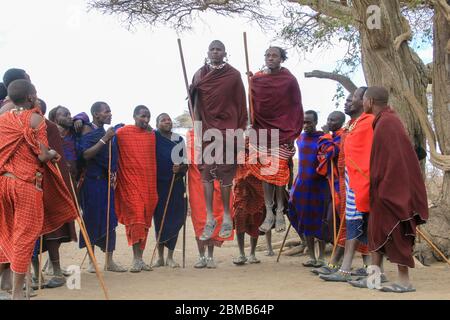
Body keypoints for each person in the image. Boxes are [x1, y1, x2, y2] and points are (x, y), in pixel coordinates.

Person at [0, 80, 77, 299]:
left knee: (6, 233)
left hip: (3, 183)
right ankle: (17, 293)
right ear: (31, 97)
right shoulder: (36, 119)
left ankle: (5, 286)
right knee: (24, 238)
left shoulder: (2, 119)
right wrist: (52, 154)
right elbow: (43, 155)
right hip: (25, 185)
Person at [363, 86, 428, 292]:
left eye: (363, 99)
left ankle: (404, 281)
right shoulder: (383, 121)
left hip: (393, 192)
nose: (363, 103)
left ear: (370, 101)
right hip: (382, 189)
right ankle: (373, 279)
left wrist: (387, 190)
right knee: (375, 233)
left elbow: (397, 162)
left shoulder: (388, 123)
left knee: (396, 233)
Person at [190, 40, 247, 241]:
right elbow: (194, 103)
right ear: (208, 52)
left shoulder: (233, 75)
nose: (215, 52)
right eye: (212, 49)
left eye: (219, 49)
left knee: (225, 174)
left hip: (228, 128)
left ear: (225, 52)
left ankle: (226, 217)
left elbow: (241, 103)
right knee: (206, 173)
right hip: (206, 129)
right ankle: (209, 217)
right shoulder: (200, 74)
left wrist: (240, 132)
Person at [312, 91, 370, 277]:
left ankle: (347, 266)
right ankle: (340, 264)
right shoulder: (350, 127)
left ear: (364, 101)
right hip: (345, 181)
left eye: (351, 99)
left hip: (360, 181)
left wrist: (327, 137)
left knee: (358, 223)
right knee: (350, 222)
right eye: (346, 99)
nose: (347, 102)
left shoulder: (367, 123)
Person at [246, 46, 303, 234]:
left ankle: (279, 211)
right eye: (267, 55)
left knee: (278, 172)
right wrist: (251, 83)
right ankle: (268, 211)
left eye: (274, 56)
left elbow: (296, 107)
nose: (270, 58)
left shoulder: (289, 80)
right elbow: (254, 105)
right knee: (266, 172)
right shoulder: (257, 80)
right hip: (262, 131)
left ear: (281, 59)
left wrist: (293, 132)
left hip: (283, 132)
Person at [31, 99, 78, 289]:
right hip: (29, 182)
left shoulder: (47, 126)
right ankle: (36, 275)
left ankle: (56, 272)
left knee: (52, 230)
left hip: (50, 183)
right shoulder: (21, 123)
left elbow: (51, 157)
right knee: (30, 232)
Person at [77, 101, 126, 272]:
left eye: (110, 111)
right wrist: (105, 139)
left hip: (106, 183)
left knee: (109, 220)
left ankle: (109, 261)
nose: (110, 114)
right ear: (96, 114)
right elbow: (85, 154)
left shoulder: (107, 132)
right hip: (91, 183)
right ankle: (92, 262)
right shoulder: (88, 130)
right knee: (91, 220)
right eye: (106, 111)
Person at [115, 105, 158, 272]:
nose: (145, 120)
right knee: (136, 218)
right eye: (142, 116)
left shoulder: (151, 135)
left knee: (145, 220)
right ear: (134, 116)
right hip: (130, 183)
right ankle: (135, 259)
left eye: (148, 116)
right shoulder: (122, 133)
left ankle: (140, 259)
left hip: (148, 184)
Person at [187, 129, 234, 269]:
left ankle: (210, 256)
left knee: (213, 219)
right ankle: (201, 256)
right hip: (196, 184)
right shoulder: (191, 134)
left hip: (215, 183)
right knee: (199, 221)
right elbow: (188, 160)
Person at [288, 110, 328, 268]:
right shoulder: (300, 138)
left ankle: (322, 258)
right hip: (302, 186)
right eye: (303, 122)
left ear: (316, 122)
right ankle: (312, 257)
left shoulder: (323, 138)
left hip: (319, 186)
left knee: (321, 221)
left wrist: (327, 135)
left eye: (309, 122)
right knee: (305, 221)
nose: (306, 125)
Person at [152, 113, 187, 268]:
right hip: (159, 186)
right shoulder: (153, 137)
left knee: (175, 219)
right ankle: (160, 257)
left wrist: (180, 168)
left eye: (168, 119)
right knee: (160, 220)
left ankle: (170, 257)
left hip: (176, 185)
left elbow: (187, 164)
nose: (167, 121)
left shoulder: (178, 139)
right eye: (163, 120)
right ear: (157, 123)